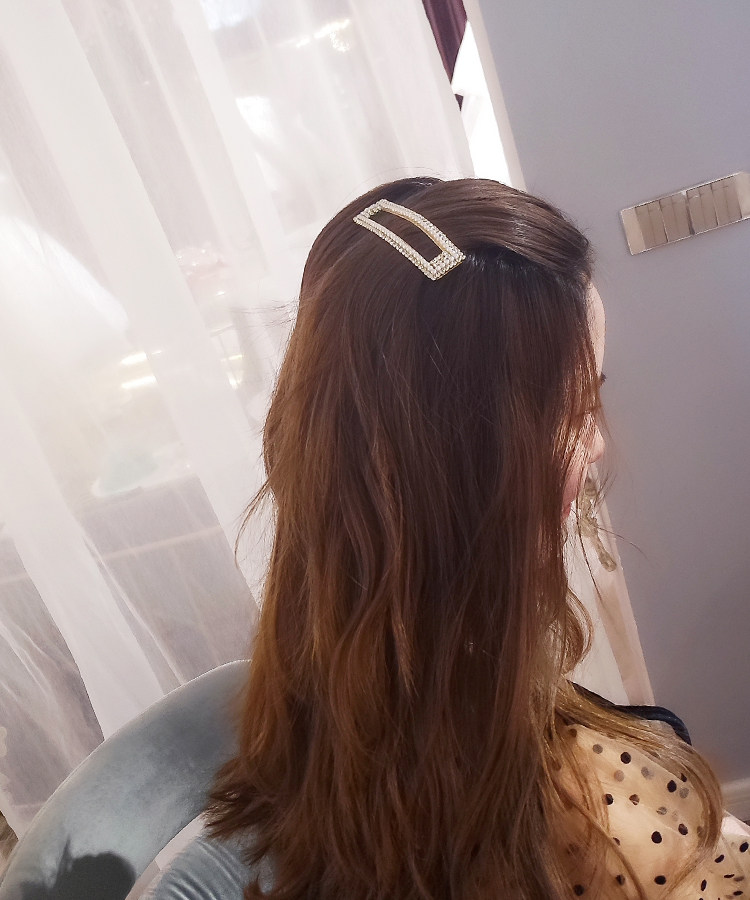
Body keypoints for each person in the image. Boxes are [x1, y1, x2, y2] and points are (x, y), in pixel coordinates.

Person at [206, 178, 749, 899]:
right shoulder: (602, 805)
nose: (595, 443)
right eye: (575, 408)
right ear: (478, 469)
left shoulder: (315, 693)